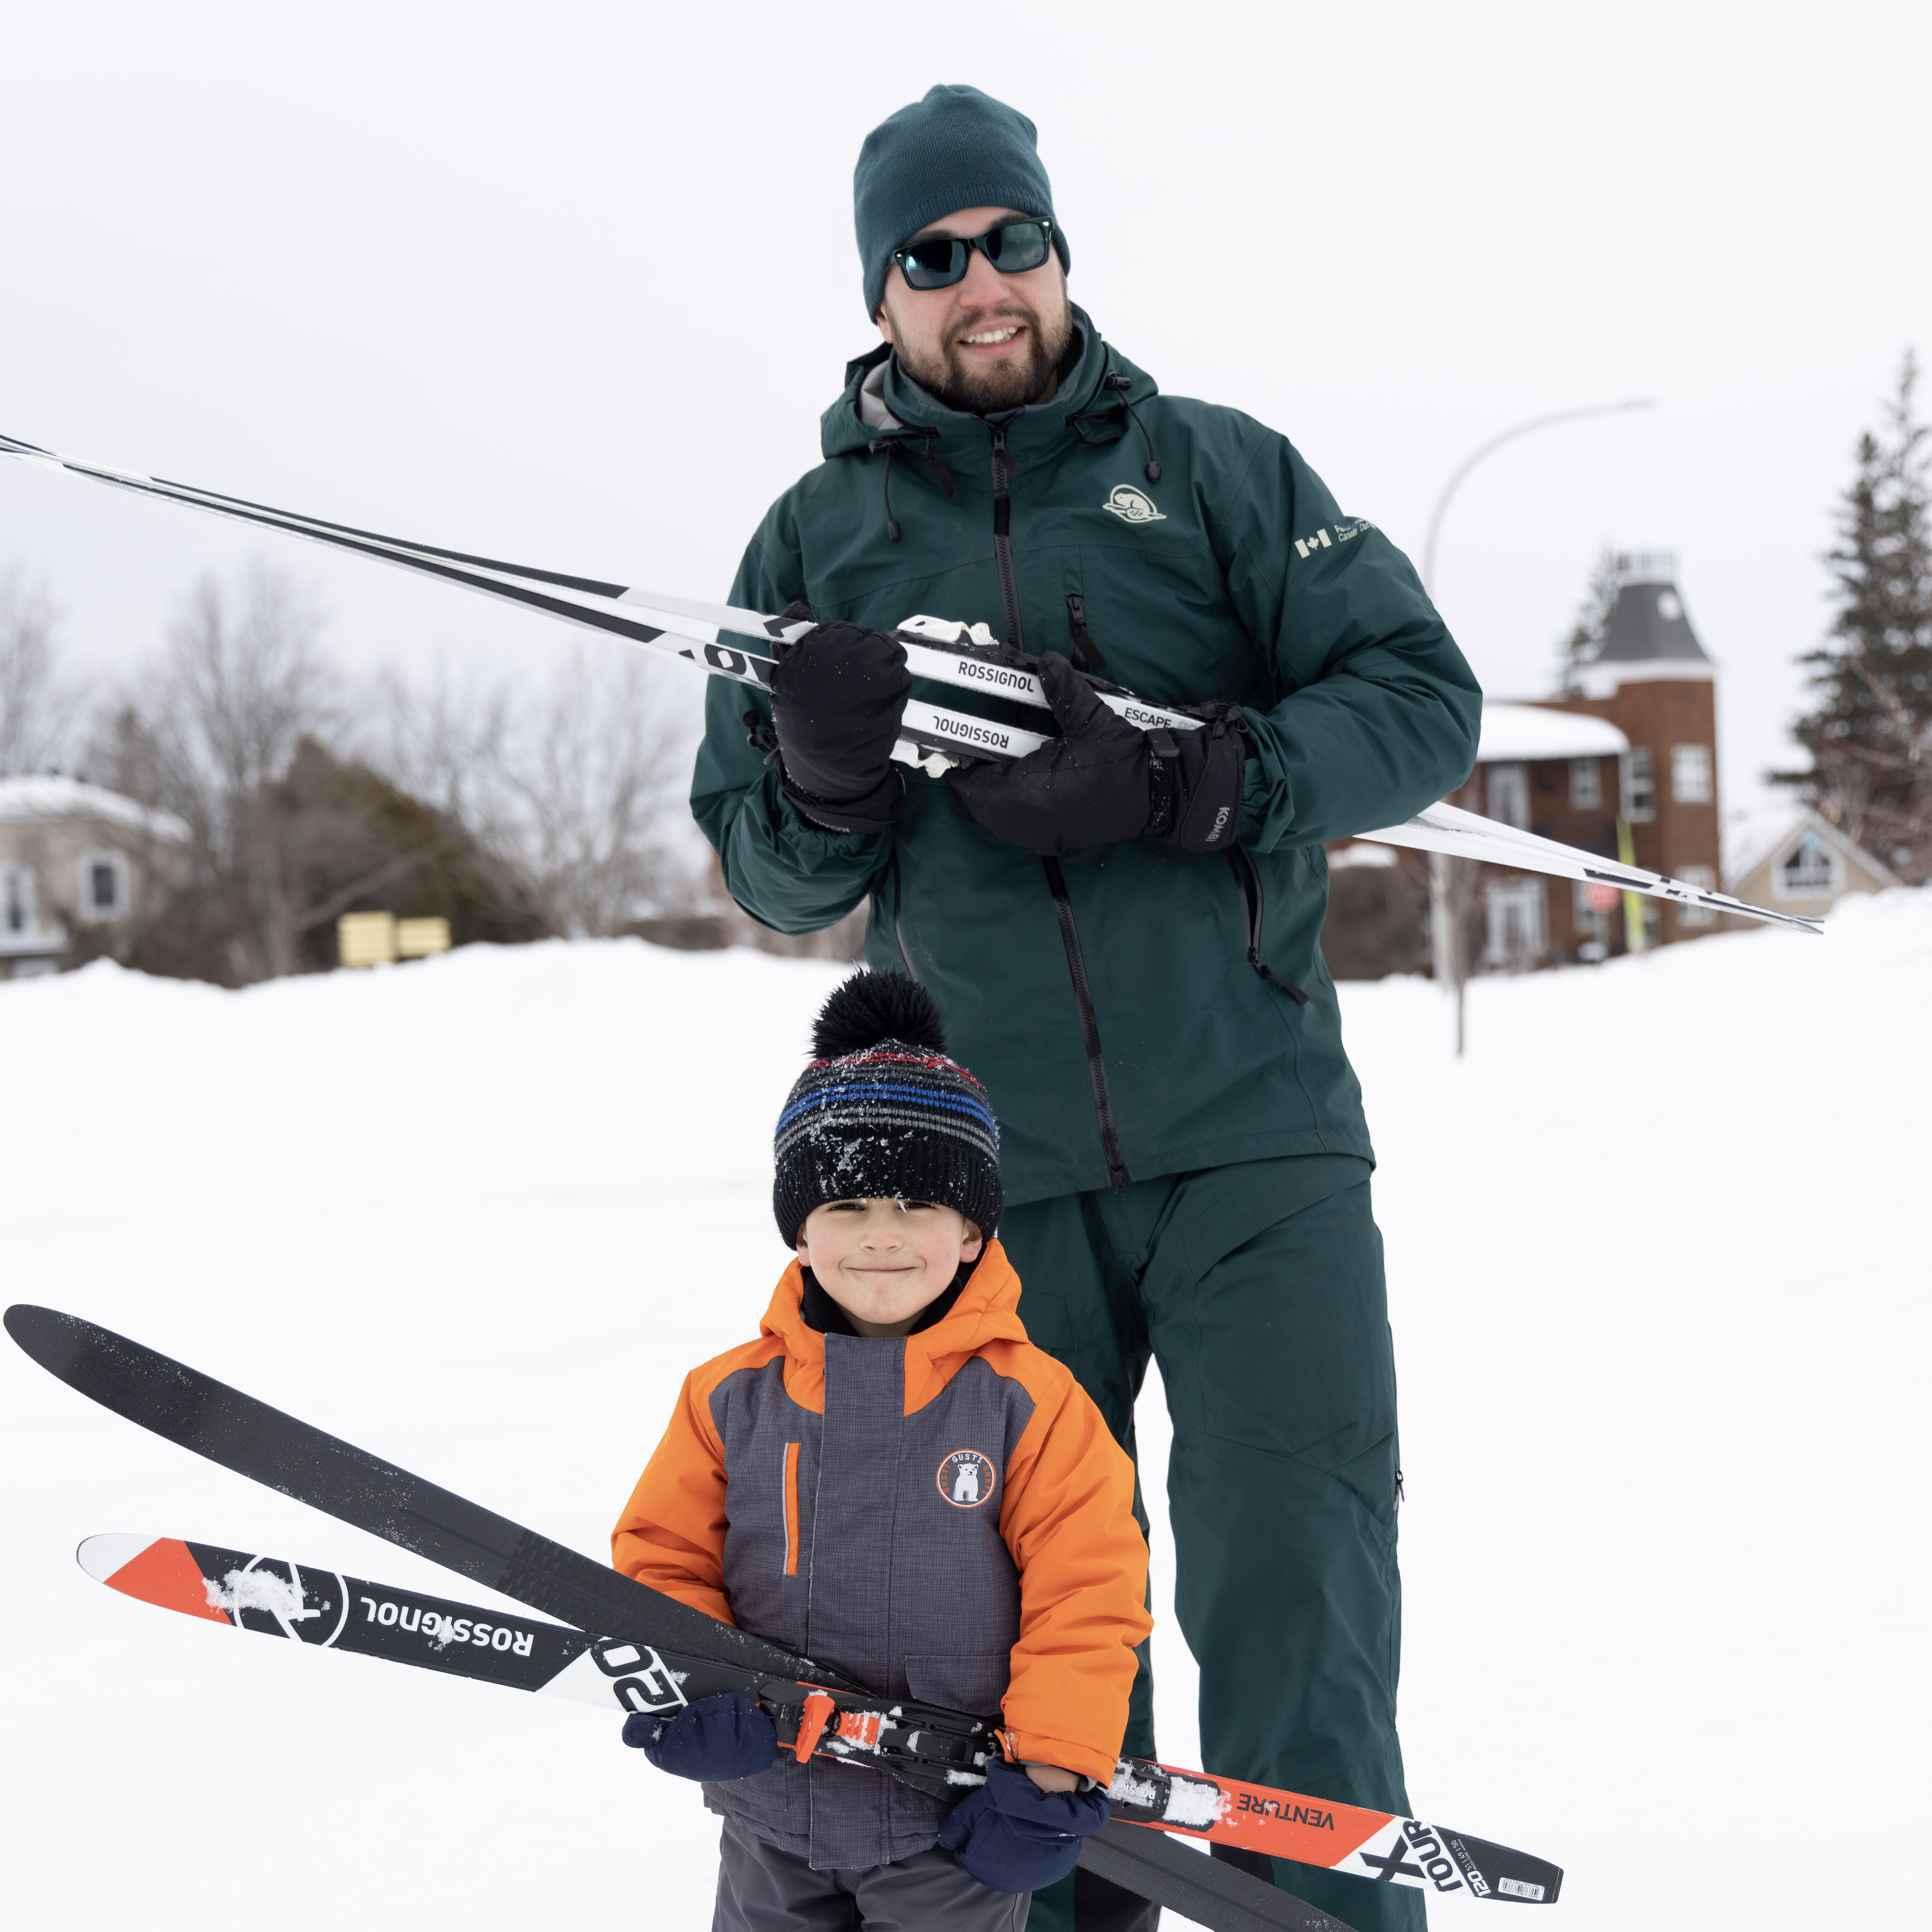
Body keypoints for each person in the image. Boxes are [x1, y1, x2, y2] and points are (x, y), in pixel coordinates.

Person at [690, 83, 1482, 1932]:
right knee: (1033, 1614)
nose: (982, 282)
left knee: (1297, 1570)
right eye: (934, 255)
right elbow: (766, 868)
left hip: (1256, 1125)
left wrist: (1196, 778)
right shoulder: (808, 543)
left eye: (1010, 242)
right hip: (990, 1174)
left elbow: (1416, 697)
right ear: (881, 292)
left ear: (1058, 254)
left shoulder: (1211, 471)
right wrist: (820, 785)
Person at [612, 970, 1153, 1931]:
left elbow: (1089, 1594)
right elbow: (662, 1561)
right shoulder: (726, 1397)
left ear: (973, 1229)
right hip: (767, 1815)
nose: (882, 1239)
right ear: (801, 1230)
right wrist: (693, 1688)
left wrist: (1051, 1767)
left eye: (916, 1208)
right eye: (849, 1209)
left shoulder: (1029, 1403)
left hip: (951, 1829)